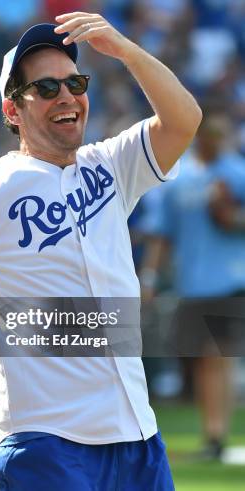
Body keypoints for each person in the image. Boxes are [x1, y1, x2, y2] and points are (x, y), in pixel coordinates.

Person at [0, 12, 202, 491]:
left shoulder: (111, 163)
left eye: (75, 82)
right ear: (13, 111)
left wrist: (126, 50)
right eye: (47, 88)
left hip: (135, 431)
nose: (67, 95)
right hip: (47, 439)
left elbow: (184, 120)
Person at [141, 111, 245, 460]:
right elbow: (162, 234)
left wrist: (231, 216)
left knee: (217, 355)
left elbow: (235, 221)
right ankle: (213, 436)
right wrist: (150, 276)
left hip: (232, 277)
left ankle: (217, 436)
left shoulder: (237, 172)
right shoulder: (179, 178)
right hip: (192, 282)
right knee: (202, 360)